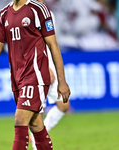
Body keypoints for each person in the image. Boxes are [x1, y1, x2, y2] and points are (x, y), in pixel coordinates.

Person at [0, 0, 70, 150]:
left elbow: (53, 45)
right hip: (17, 78)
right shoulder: (4, 13)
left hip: (36, 75)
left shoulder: (38, 9)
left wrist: (62, 81)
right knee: (36, 125)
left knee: (20, 120)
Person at [28, 1, 70, 149]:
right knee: (38, 110)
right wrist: (43, 66)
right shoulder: (26, 14)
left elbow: (51, 42)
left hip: (50, 62)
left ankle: (37, 135)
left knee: (64, 105)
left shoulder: (48, 13)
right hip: (34, 65)